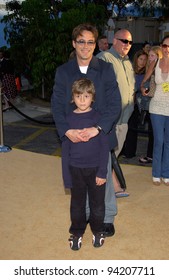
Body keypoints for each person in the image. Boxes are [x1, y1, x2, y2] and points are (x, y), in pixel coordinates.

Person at [51, 23, 121, 237]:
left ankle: (107, 217)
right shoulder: (63, 72)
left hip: (99, 135)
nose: (86, 46)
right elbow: (56, 104)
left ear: (95, 45)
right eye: (81, 41)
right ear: (74, 43)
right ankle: (87, 216)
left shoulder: (106, 69)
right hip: (74, 138)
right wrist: (67, 131)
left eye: (90, 42)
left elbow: (114, 104)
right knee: (80, 182)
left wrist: (97, 128)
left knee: (103, 180)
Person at [62, 78, 109, 250]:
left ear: (93, 98)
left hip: (96, 169)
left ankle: (98, 230)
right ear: (73, 97)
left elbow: (105, 148)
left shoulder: (99, 119)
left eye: (86, 96)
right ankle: (76, 232)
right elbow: (65, 152)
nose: (82, 100)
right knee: (77, 204)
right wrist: (67, 179)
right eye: (78, 96)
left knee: (97, 204)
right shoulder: (67, 120)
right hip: (75, 170)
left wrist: (103, 172)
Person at [98, 29, 135, 198]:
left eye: (130, 42)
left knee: (114, 154)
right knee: (107, 155)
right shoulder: (105, 58)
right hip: (110, 120)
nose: (127, 45)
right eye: (124, 41)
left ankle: (107, 184)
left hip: (124, 117)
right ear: (115, 41)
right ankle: (110, 187)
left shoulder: (127, 61)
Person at [141, 35, 169, 186]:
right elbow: (144, 80)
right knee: (159, 141)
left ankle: (166, 173)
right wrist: (143, 88)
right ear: (161, 46)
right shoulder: (156, 62)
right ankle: (156, 173)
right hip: (157, 107)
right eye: (164, 46)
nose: (167, 49)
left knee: (168, 142)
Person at [122, 49, 148, 159]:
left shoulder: (145, 74)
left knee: (131, 130)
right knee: (122, 128)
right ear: (136, 59)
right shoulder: (129, 70)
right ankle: (122, 150)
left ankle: (129, 153)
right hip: (124, 103)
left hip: (135, 105)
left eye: (144, 60)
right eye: (140, 59)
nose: (142, 62)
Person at [139, 45, 162, 164]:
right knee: (154, 133)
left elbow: (153, 90)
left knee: (155, 133)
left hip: (156, 106)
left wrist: (144, 88)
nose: (150, 58)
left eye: (153, 56)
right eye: (150, 56)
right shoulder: (151, 69)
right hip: (151, 106)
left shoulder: (157, 70)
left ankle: (151, 156)